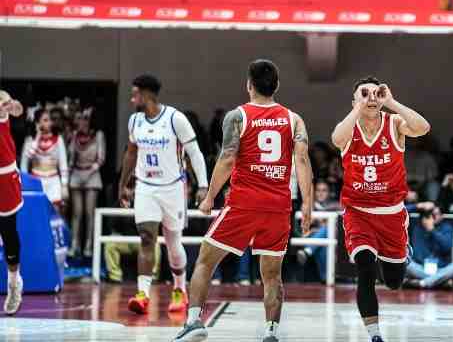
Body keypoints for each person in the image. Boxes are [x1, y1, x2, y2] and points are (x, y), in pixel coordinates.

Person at [174, 59, 314, 342]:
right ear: (276, 86)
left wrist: (209, 196)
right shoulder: (294, 119)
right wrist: (308, 207)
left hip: (244, 204)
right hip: (278, 207)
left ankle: (193, 322)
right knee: (272, 274)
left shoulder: (237, 116)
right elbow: (302, 161)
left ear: (248, 85)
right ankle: (271, 332)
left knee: (204, 259)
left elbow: (226, 159)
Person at [331, 76, 430, 342]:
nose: (371, 98)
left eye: (376, 94)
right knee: (364, 266)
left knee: (394, 281)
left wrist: (392, 102)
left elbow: (423, 128)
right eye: (364, 94)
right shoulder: (349, 128)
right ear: (354, 100)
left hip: (391, 214)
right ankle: (374, 335)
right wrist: (357, 108)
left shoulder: (394, 123)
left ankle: (402, 254)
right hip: (358, 212)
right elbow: (335, 138)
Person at [118, 74, 209, 315]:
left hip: (173, 187)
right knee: (147, 237)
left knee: (172, 243)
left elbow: (195, 153)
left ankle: (180, 289)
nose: (132, 98)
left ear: (147, 94)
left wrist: (202, 185)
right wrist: (123, 184)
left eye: (135, 93)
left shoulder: (175, 119)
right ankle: (142, 293)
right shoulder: (135, 121)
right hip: (146, 186)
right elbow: (130, 153)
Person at [68, 107, 106, 258]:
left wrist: (90, 172)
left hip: (92, 175)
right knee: (77, 213)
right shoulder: (75, 136)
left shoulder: (98, 135)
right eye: (80, 120)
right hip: (77, 174)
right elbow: (71, 159)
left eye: (85, 120)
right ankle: (74, 244)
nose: (81, 123)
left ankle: (89, 245)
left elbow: (101, 158)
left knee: (90, 213)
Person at [0, 91, 24, 315]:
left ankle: (14, 283)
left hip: (4, 179)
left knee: (8, 233)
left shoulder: (0, 98)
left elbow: (16, 109)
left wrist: (12, 107)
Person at [20, 108, 69, 211]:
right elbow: (26, 161)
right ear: (37, 122)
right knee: (37, 213)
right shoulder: (30, 140)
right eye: (46, 120)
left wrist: (64, 185)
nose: (50, 123)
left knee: (55, 214)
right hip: (36, 182)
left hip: (54, 181)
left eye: (50, 120)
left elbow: (63, 163)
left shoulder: (58, 139)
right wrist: (38, 135)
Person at [406, 207, 453, 289]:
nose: (432, 218)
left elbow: (446, 247)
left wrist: (432, 230)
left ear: (441, 216)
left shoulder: (447, 228)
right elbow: (403, 209)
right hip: (422, 268)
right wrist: (418, 205)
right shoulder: (418, 228)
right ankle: (440, 282)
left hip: (441, 269)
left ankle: (423, 283)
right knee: (406, 264)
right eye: (429, 215)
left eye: (435, 215)